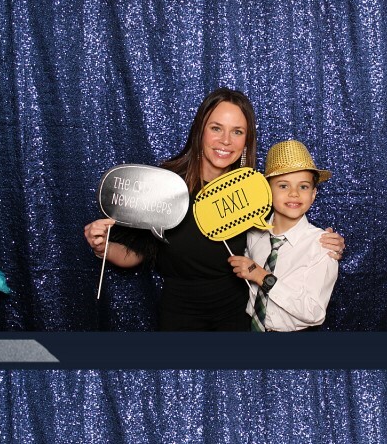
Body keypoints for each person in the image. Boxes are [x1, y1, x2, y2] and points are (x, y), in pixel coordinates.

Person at [83, 93, 343, 332]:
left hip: (237, 315)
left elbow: (282, 231)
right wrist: (103, 247)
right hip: (179, 314)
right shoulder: (165, 185)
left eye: (237, 132)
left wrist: (324, 243)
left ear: (246, 141)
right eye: (216, 128)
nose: (226, 141)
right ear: (200, 131)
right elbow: (136, 254)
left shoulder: (255, 191)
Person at [228, 140, 340, 333]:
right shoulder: (254, 234)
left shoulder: (322, 245)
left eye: (303, 187)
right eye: (283, 186)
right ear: (267, 191)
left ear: (313, 194)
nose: (294, 194)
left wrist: (262, 277)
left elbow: (314, 313)